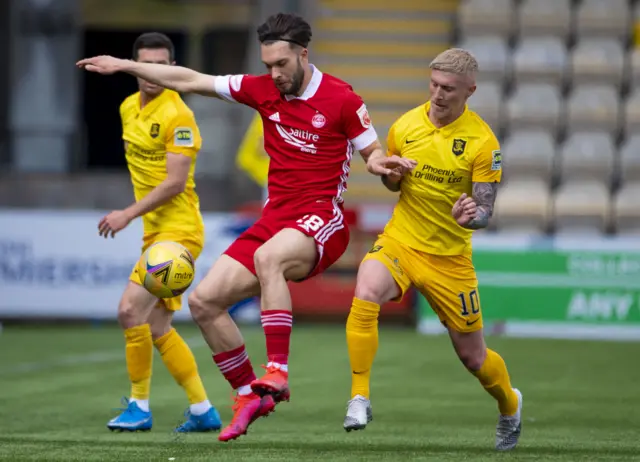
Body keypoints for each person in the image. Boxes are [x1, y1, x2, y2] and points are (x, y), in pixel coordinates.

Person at [78, 13, 416, 442]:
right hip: (275, 217)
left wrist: (385, 167)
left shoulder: (342, 99)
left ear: (303, 54)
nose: (274, 74)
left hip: (320, 217)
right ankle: (248, 394)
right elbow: (189, 79)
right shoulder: (260, 89)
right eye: (268, 64)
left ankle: (277, 371)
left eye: (281, 64)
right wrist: (125, 65)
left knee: (266, 257)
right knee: (203, 301)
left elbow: (373, 156)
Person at [342, 48, 522, 452]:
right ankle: (359, 397)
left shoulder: (482, 142)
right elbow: (393, 184)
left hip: (449, 259)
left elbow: (485, 210)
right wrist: (390, 174)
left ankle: (510, 404)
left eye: (449, 89)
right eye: (434, 85)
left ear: (470, 90)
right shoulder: (407, 125)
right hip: (401, 240)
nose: (438, 95)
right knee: (366, 287)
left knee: (474, 359)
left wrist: (469, 214)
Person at [96, 32, 221, 433]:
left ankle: (139, 406)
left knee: (128, 311)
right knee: (157, 328)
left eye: (163, 66)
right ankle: (203, 411)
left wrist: (126, 214)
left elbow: (174, 183)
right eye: (147, 64)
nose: (155, 73)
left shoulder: (179, 114)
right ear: (136, 66)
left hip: (180, 233)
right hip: (157, 233)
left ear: (171, 69)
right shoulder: (128, 108)